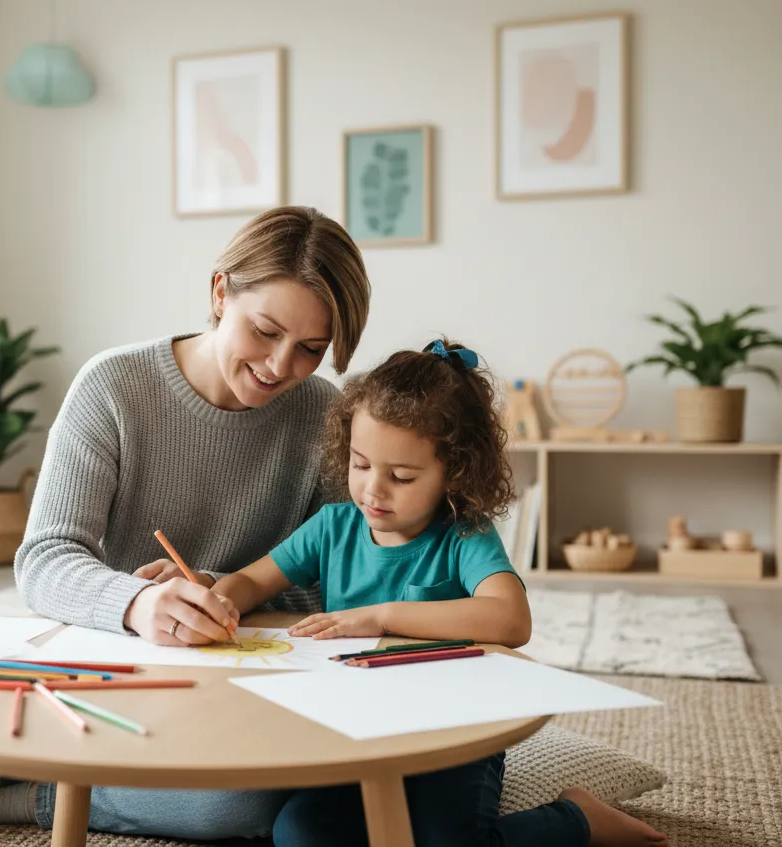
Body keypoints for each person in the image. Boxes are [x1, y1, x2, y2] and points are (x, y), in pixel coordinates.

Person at [0, 206, 373, 839]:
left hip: (225, 691)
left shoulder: (325, 417)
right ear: (221, 292)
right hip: (95, 670)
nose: (279, 366)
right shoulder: (114, 385)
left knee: (239, 806)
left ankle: (33, 796)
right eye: (265, 331)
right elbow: (45, 558)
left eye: (310, 349)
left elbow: (338, 586)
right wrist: (139, 602)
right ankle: (94, 776)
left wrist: (226, 588)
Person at [213, 340, 670, 847]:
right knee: (297, 833)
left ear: (454, 472)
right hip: (360, 729)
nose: (373, 491)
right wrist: (217, 595)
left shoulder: (464, 534)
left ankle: (578, 819)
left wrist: (383, 616)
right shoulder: (332, 526)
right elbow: (253, 580)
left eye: (401, 477)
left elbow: (511, 620)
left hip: (457, 732)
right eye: (361, 465)